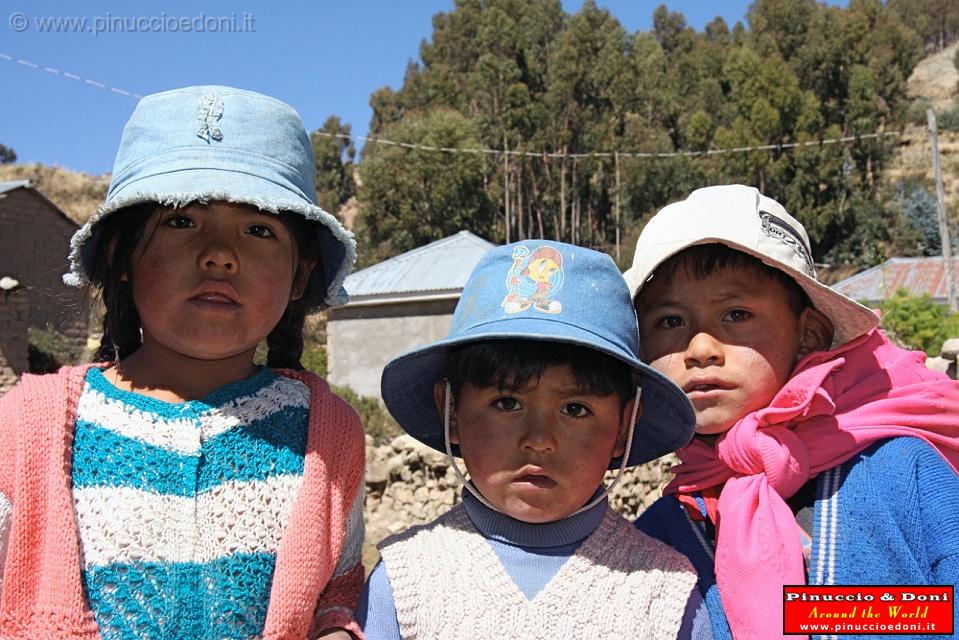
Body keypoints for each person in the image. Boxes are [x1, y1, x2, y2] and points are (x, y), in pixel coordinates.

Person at [0, 86, 366, 640]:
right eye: (181, 222)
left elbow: (335, 599)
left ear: (300, 273)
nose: (220, 253)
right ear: (122, 255)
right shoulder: (28, 429)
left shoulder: (329, 437)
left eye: (259, 229)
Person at [625, 185, 959, 640]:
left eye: (737, 314)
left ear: (809, 335)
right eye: (670, 322)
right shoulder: (657, 537)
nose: (700, 348)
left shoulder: (904, 473)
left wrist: (818, 614)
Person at [359, 241, 711, 639]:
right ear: (452, 410)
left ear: (624, 426)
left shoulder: (663, 595)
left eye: (575, 409)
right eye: (507, 403)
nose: (540, 440)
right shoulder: (407, 581)